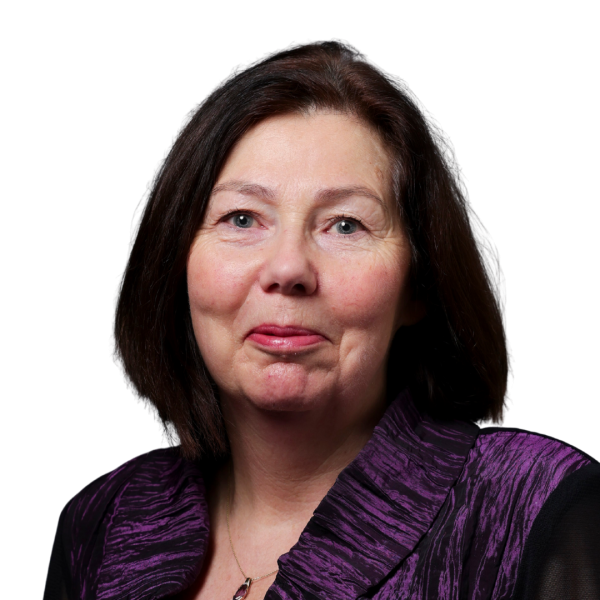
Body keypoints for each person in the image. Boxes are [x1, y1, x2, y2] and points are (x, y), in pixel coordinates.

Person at [43, 39, 599, 600]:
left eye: (345, 225)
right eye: (242, 218)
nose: (288, 269)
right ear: (177, 261)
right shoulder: (102, 524)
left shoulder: (534, 506)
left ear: (419, 285)